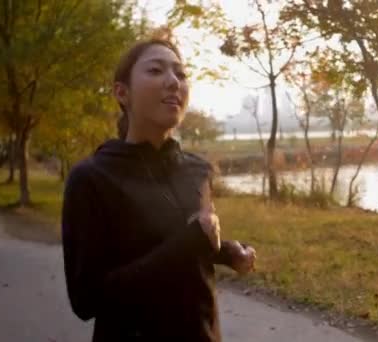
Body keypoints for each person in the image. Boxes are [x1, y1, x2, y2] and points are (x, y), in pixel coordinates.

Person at [61, 38, 257, 342]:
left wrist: (226, 251)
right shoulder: (91, 178)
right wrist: (189, 243)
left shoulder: (197, 169)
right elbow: (87, 300)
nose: (173, 82)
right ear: (122, 93)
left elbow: (185, 241)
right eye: (156, 70)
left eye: (181, 74)